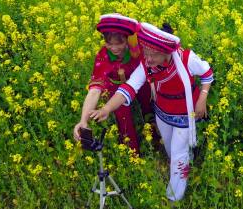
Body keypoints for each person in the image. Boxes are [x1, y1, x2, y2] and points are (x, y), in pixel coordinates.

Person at [90, 22, 214, 202]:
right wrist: (107, 108)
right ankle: (186, 160)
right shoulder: (146, 63)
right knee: (171, 148)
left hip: (186, 112)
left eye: (153, 54)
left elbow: (207, 73)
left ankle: (174, 197)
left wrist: (202, 99)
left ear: (166, 52)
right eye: (146, 53)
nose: (147, 59)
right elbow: (130, 87)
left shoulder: (187, 59)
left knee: (178, 154)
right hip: (163, 112)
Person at [73, 13, 153, 154]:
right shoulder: (103, 56)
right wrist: (83, 120)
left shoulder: (138, 48)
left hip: (139, 82)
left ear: (127, 40)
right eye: (109, 43)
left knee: (149, 104)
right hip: (116, 88)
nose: (114, 48)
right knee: (123, 117)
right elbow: (94, 91)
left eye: (119, 43)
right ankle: (132, 154)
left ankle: (154, 135)